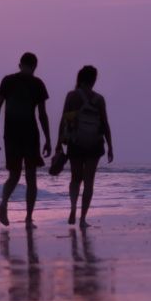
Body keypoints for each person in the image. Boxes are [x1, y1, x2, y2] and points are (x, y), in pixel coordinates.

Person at [0, 52, 51, 228]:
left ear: (21, 64)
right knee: (24, 176)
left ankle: (15, 210)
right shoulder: (28, 83)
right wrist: (48, 139)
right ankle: (18, 212)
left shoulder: (16, 81)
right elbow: (42, 115)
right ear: (31, 66)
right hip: (23, 135)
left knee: (21, 176)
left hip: (20, 134)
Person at [55, 65, 113, 228]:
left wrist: (58, 143)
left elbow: (64, 120)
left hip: (76, 142)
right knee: (89, 182)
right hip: (94, 144)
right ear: (93, 80)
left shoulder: (72, 96)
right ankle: (82, 219)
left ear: (80, 79)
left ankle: (73, 207)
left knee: (75, 178)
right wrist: (110, 146)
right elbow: (105, 123)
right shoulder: (99, 99)